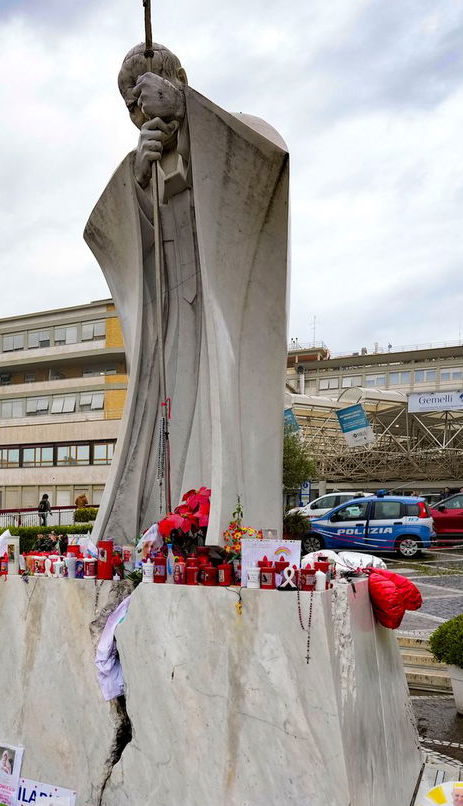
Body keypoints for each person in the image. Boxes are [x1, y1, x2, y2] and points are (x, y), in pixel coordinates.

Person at [87, 41, 288, 545]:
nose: (142, 110)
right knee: (169, 424)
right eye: (131, 105)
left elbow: (268, 158)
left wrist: (184, 111)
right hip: (173, 316)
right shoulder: (142, 162)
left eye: (147, 95)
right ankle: (171, 528)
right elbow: (122, 241)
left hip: (221, 307)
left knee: (217, 419)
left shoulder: (227, 131)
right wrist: (139, 183)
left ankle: (222, 532)